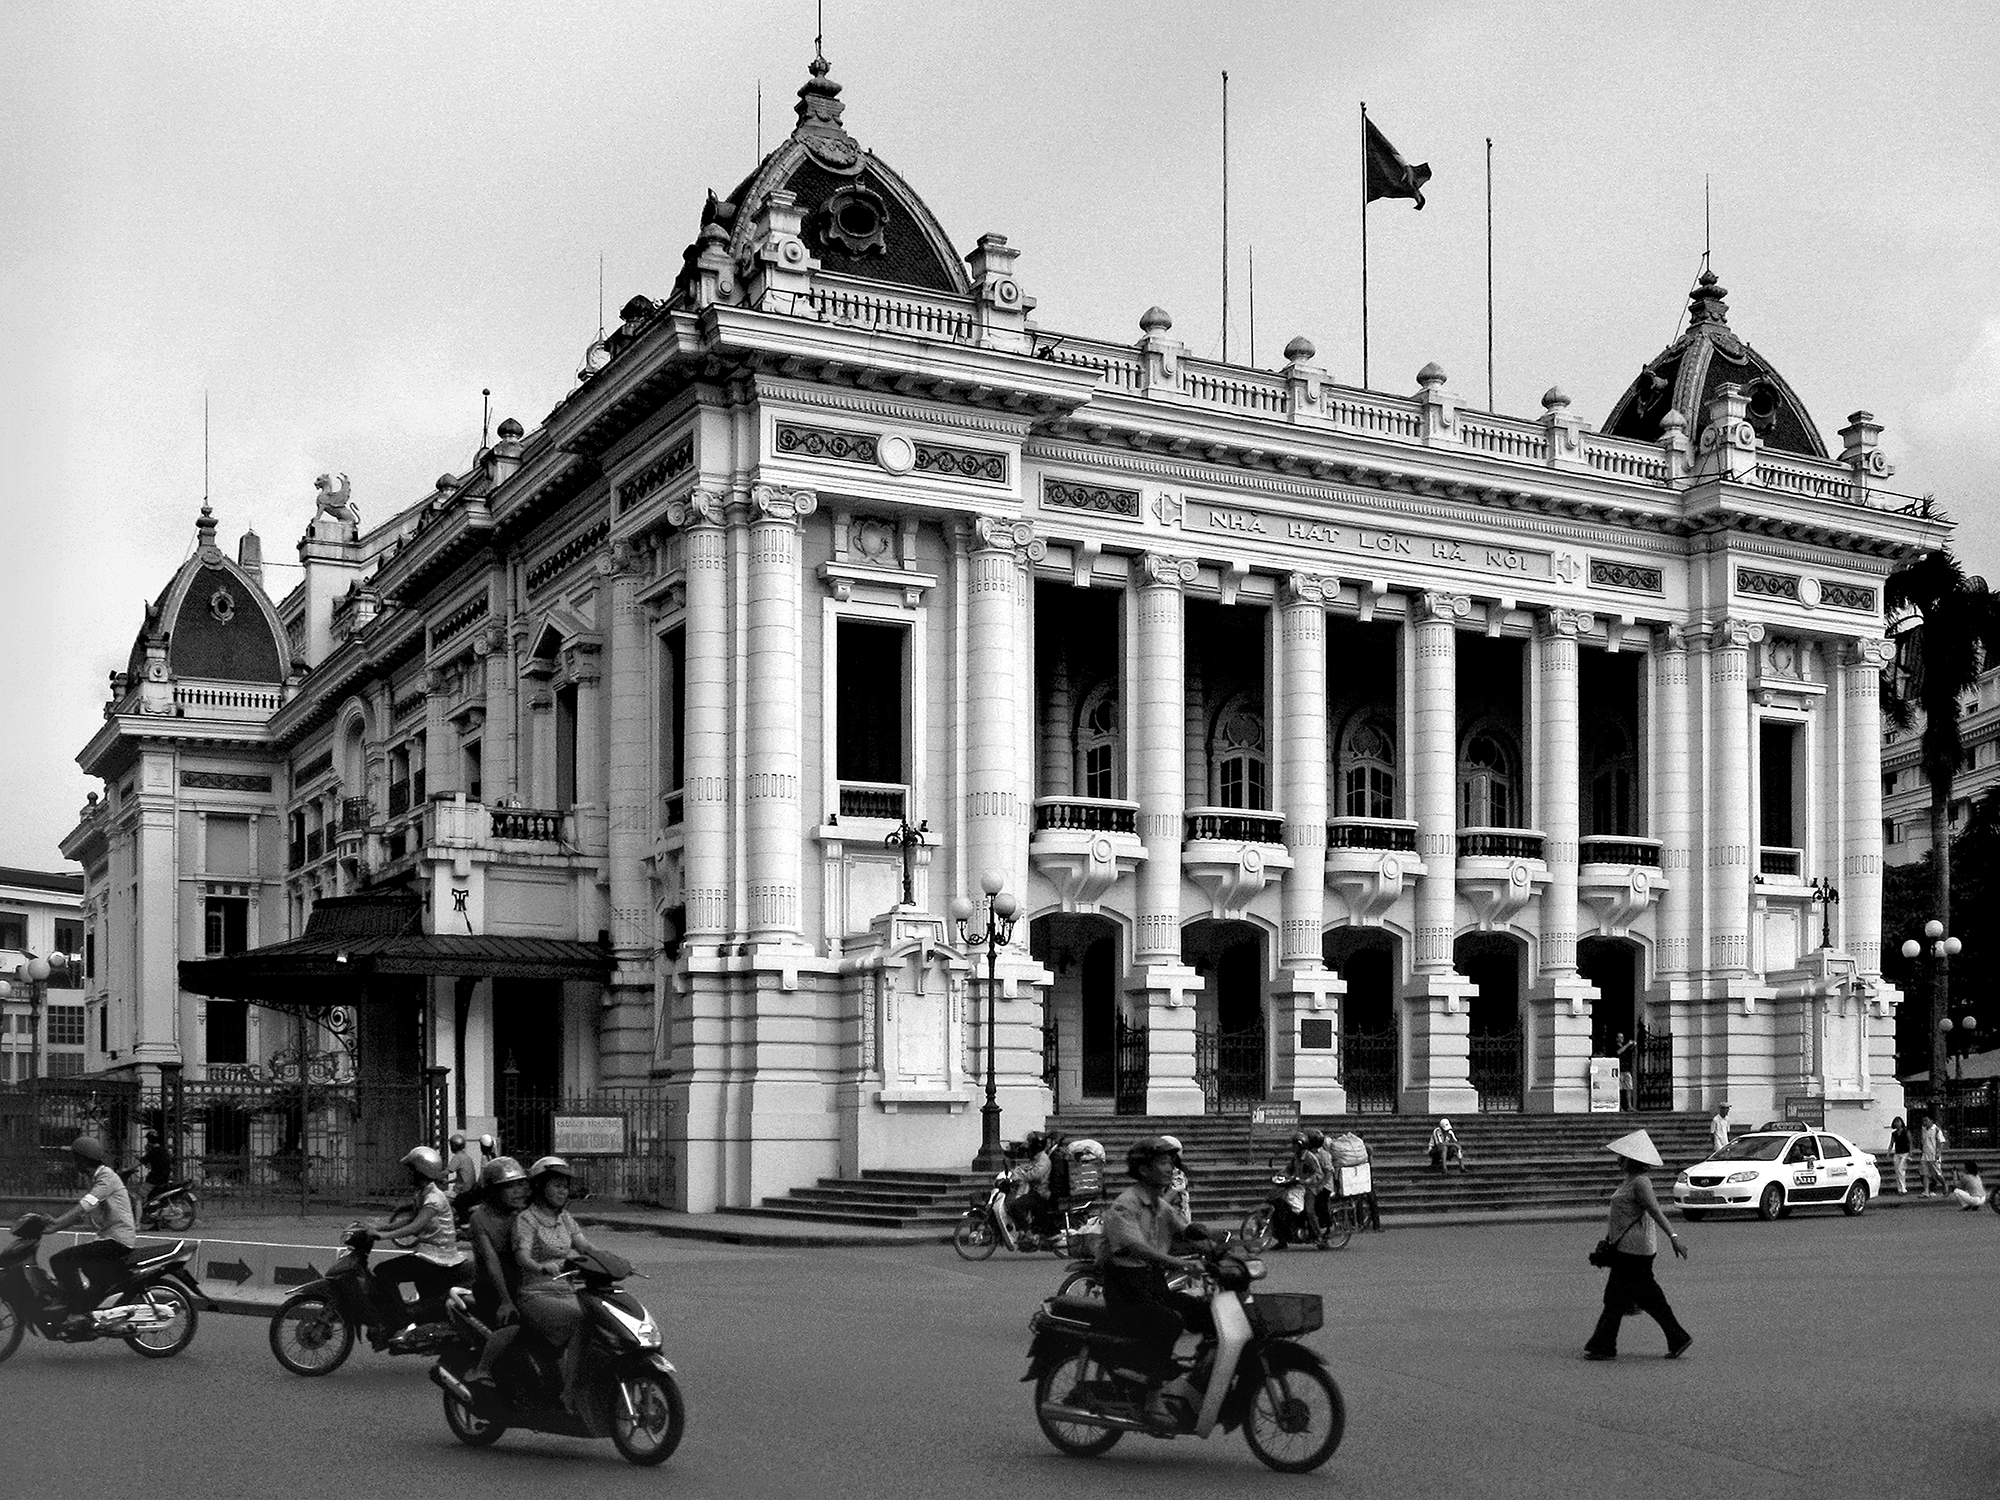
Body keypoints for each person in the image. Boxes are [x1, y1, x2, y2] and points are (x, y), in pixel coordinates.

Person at [1099, 1137, 1208, 1431]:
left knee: (1204, 1312)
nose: (1169, 1167)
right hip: (1126, 1285)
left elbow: (1186, 1230)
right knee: (1169, 1322)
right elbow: (1136, 1248)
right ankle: (1151, 1395)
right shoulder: (1126, 1205)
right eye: (1162, 1162)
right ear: (1144, 1169)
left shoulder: (1160, 1204)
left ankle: (1198, 1381)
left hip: (1151, 1281)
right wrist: (1178, 1263)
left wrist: (1219, 1246)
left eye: (1170, 1161)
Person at [1582, 1129, 1692, 1361]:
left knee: (1634, 1299)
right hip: (1627, 1249)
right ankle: (1676, 1338)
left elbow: (1655, 1211)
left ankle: (1604, 1346)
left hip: (1635, 1252)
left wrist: (1673, 1237)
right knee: (1624, 1299)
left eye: (1622, 1157)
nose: (1618, 1160)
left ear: (1632, 1160)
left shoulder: (1641, 1182)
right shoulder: (1630, 1180)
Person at [514, 1154, 602, 1413]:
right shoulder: (527, 1219)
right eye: (557, 1185)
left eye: (565, 1186)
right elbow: (522, 1254)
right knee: (582, 1322)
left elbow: (584, 1246)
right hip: (535, 1292)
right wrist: (540, 1267)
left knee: (601, 1317)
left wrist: (613, 1262)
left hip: (565, 1289)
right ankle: (569, 1392)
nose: (563, 1191)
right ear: (540, 1187)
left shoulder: (564, 1218)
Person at [361, 1145, 466, 1344]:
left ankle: (400, 1317)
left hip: (438, 1257)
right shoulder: (423, 1193)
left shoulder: (434, 1198)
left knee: (384, 1271)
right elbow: (409, 1219)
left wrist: (382, 1236)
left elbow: (414, 1226)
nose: (409, 1175)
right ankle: (411, 1320)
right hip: (428, 1253)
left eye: (412, 1171)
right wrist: (380, 1227)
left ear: (421, 1172)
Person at [42, 1136, 136, 1330]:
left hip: (117, 1240)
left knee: (61, 1260)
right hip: (108, 1238)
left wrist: (56, 1224)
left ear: (82, 1160)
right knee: (88, 1270)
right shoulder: (95, 1178)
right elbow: (80, 1215)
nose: (73, 1163)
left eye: (75, 1159)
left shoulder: (106, 1178)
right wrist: (57, 1224)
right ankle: (89, 1308)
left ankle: (77, 1312)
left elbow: (83, 1207)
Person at [465, 1156, 530, 1392]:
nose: (517, 1192)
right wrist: (505, 1300)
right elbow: (491, 1260)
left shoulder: (522, 1215)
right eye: (509, 1187)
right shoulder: (479, 1218)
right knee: (512, 1325)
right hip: (491, 1286)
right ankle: (482, 1368)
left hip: (523, 1281)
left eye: (519, 1186)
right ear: (493, 1191)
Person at [1006, 1131, 1054, 1235]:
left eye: (1030, 1143)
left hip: (1040, 1193)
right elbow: (1029, 1167)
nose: (1028, 1146)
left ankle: (1027, 1233)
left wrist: (1019, 1177)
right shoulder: (1037, 1158)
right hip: (1034, 1191)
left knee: (1016, 1205)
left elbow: (1034, 1174)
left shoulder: (1043, 1160)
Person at [1919, 1114, 1949, 1197]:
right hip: (1925, 1154)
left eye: (1926, 1120)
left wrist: (1938, 1152)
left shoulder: (1936, 1130)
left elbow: (1941, 1141)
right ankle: (1926, 1191)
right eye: (1923, 1120)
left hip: (1933, 1154)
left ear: (1931, 1121)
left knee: (1936, 1174)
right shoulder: (1923, 1129)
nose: (1924, 1122)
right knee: (1925, 1173)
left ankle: (1944, 1185)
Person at [446, 1131, 483, 1196]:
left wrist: (436, 1176)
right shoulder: (466, 1157)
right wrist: (448, 1182)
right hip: (470, 1191)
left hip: (461, 1192)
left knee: (442, 1197)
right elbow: (463, 1178)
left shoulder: (458, 1157)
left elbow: (447, 1171)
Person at [1888, 1116, 1912, 1195]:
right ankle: (1899, 1188)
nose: (1897, 1124)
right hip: (1897, 1153)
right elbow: (1891, 1143)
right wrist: (1888, 1152)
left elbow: (1910, 1142)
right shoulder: (1894, 1134)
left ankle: (1903, 1188)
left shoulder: (1906, 1131)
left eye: (1898, 1122)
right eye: (1895, 1122)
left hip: (1905, 1153)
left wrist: (1910, 1153)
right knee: (1897, 1171)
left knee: (1901, 1169)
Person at [1615, 1033, 1637, 1112]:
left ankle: (1629, 1106)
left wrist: (1632, 1046)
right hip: (1619, 1070)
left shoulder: (1625, 1048)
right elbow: (1618, 1053)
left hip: (1626, 1069)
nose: (1622, 1039)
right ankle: (1619, 1106)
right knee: (1620, 1089)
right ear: (1616, 1039)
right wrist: (1628, 1044)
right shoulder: (1615, 1047)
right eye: (1620, 1037)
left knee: (1628, 1088)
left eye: (1622, 1037)